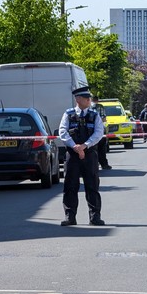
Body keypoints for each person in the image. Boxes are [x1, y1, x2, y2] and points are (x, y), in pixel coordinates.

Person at [58, 86, 105, 226]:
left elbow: (98, 133)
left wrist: (84, 146)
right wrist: (75, 147)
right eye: (87, 98)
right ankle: (70, 217)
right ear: (78, 99)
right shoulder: (68, 114)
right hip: (72, 155)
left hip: (89, 154)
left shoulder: (94, 115)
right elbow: (63, 132)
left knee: (92, 186)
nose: (90, 100)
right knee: (70, 186)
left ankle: (95, 217)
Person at [91, 96, 112, 170]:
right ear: (97, 100)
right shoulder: (99, 107)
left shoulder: (86, 107)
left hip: (89, 131)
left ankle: (93, 165)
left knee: (92, 149)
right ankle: (104, 164)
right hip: (99, 131)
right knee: (101, 149)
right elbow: (103, 118)